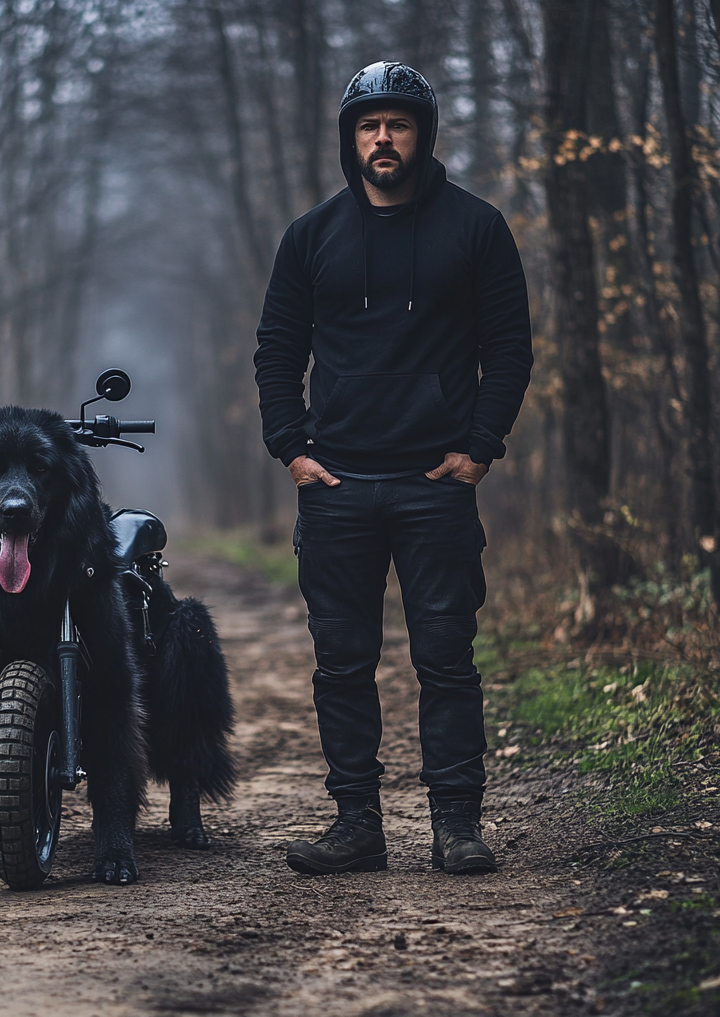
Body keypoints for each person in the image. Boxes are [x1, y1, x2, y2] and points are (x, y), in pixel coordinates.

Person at [254, 62, 532, 876]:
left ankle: (456, 825)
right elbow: (277, 351)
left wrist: (480, 447)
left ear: (423, 135)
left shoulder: (477, 229)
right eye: (368, 125)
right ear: (352, 138)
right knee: (341, 662)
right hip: (336, 485)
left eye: (398, 124)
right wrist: (293, 448)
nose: (382, 137)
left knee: (445, 659)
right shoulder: (311, 237)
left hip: (434, 485)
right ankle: (356, 825)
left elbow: (508, 349)